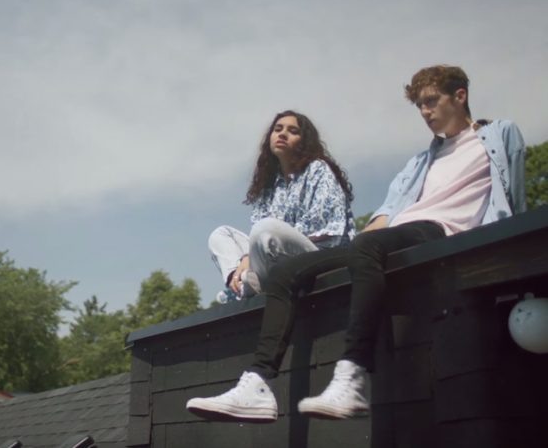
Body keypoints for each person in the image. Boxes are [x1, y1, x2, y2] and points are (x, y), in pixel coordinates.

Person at [186, 65, 526, 422]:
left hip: (442, 231)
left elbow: (514, 198)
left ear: (460, 95)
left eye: (431, 102)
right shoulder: (421, 161)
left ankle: (352, 375)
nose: (425, 112)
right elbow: (384, 215)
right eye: (419, 106)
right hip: (394, 236)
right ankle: (258, 385)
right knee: (287, 273)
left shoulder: (499, 135)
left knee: (365, 246)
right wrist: (362, 242)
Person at [208, 110, 355, 303]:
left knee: (266, 229)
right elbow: (258, 236)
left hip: (319, 257)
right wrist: (246, 256)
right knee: (221, 235)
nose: (283, 134)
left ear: (304, 142)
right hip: (274, 259)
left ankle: (247, 288)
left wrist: (253, 254)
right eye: (278, 129)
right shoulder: (270, 185)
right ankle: (239, 284)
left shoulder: (318, 169)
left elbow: (322, 226)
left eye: (293, 131)